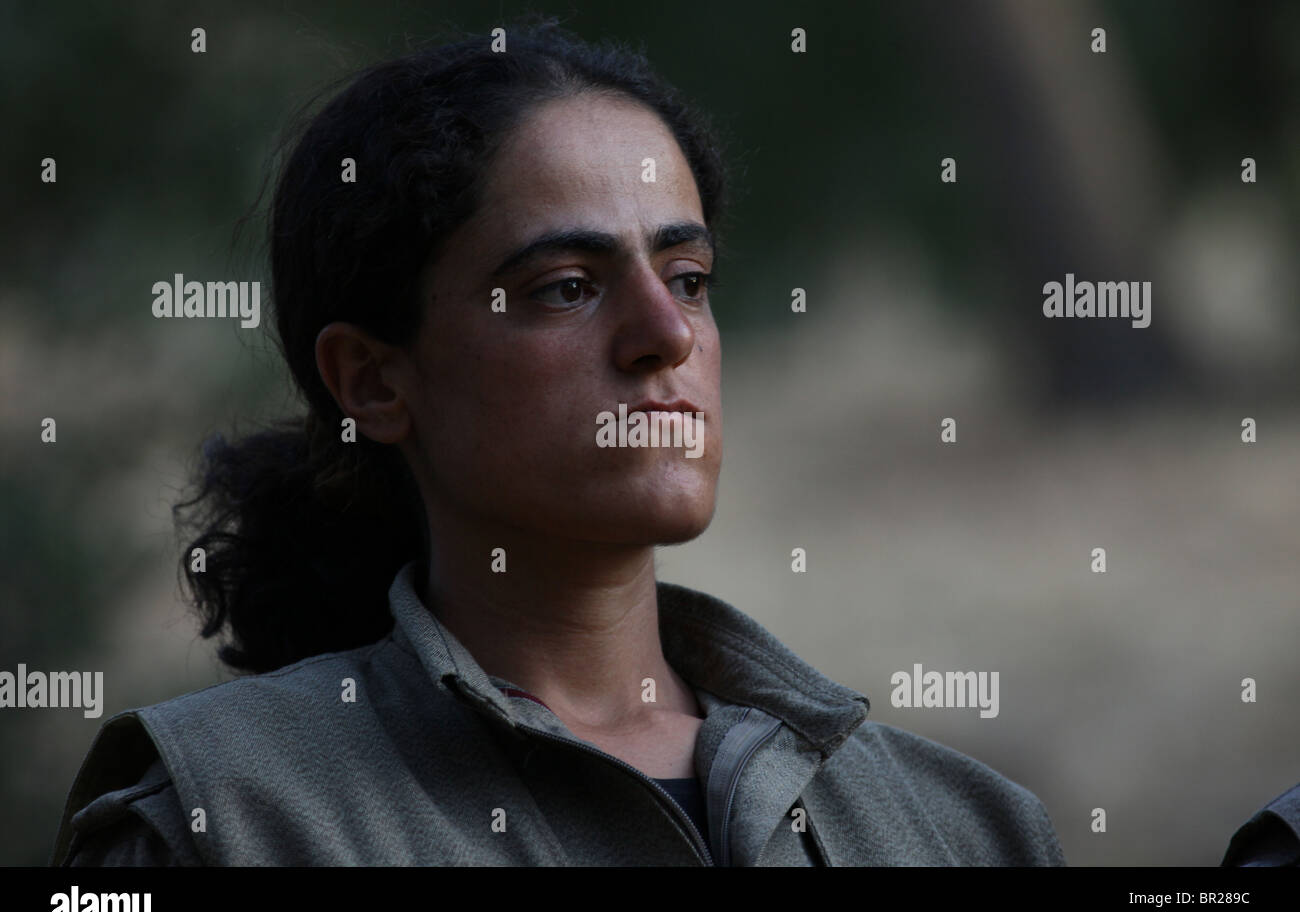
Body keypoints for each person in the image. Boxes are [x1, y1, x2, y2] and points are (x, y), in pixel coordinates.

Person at [51, 20, 1066, 866]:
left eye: (688, 277)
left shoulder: (960, 826)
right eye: (566, 287)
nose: (665, 336)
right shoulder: (222, 819)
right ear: (374, 379)